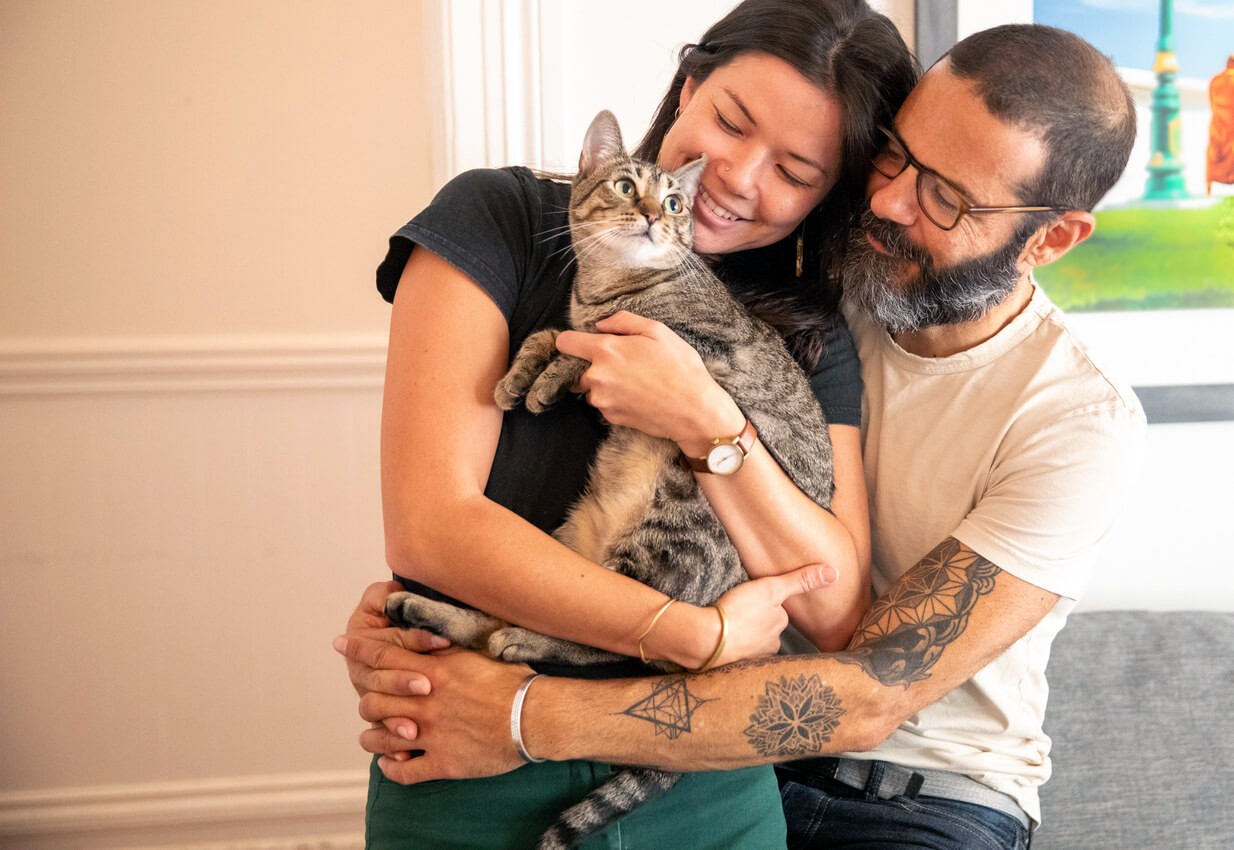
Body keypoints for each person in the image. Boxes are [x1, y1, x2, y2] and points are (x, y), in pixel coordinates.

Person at [338, 23, 1147, 850]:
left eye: (945, 197)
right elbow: (434, 521)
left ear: (1050, 238)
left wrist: (524, 710)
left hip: (908, 791)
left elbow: (859, 675)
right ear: (689, 85)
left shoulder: (1067, 420)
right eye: (893, 157)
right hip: (729, 743)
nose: (889, 202)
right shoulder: (846, 290)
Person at [354, 0, 917, 846]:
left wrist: (706, 419)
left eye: (795, 172)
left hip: (702, 787)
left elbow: (832, 607)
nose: (736, 177)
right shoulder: (498, 219)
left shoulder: (807, 330)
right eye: (730, 120)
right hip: (458, 751)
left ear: (825, 199)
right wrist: (696, 634)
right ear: (688, 85)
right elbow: (431, 527)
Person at [1208, 54, 1234, 195]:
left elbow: (1211, 103)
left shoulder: (1215, 80)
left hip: (1218, 125)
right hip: (1232, 128)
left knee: (1214, 157)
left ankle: (1209, 189)